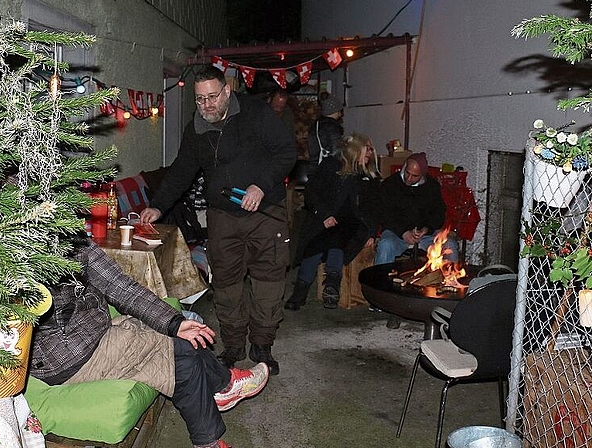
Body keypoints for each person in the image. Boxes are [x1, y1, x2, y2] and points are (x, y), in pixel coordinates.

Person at [30, 240, 270, 448]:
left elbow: (119, 285)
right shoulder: (18, 245)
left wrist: (175, 322)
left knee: (181, 361)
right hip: (68, 357)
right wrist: (175, 326)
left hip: (92, 334)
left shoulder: (67, 230)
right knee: (181, 346)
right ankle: (224, 384)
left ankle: (208, 439)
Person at [140, 65, 296, 376]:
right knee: (226, 283)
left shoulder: (256, 113)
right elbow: (182, 170)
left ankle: (262, 344)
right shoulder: (196, 129)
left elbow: (287, 152)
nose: (207, 105)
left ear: (226, 91)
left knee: (268, 280)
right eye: (200, 100)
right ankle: (234, 345)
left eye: (213, 97)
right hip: (223, 216)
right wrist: (157, 206)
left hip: (265, 212)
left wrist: (261, 185)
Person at [285, 133, 381, 310]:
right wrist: (324, 215)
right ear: (355, 149)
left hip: (353, 224)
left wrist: (372, 232)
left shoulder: (369, 177)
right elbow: (312, 192)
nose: (370, 152)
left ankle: (329, 286)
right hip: (325, 219)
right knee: (314, 247)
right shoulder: (331, 165)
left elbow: (374, 208)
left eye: (371, 149)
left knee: (336, 240)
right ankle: (306, 290)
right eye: (367, 148)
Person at [373, 152, 458, 266]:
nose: (409, 178)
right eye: (407, 173)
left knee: (450, 245)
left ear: (422, 175)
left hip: (425, 234)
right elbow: (384, 214)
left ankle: (450, 280)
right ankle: (380, 280)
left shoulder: (432, 186)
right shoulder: (390, 184)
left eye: (414, 176)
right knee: (385, 245)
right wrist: (403, 232)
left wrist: (426, 228)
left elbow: (439, 213)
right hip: (397, 232)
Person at [306, 94, 344, 176]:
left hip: (315, 168)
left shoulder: (316, 125)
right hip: (327, 170)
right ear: (336, 111)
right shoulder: (332, 127)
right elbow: (336, 150)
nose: (341, 114)